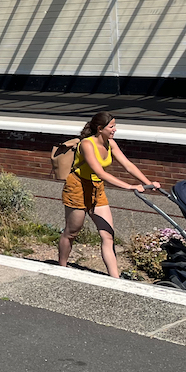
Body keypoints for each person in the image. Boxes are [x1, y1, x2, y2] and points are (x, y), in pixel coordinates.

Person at [57, 111, 158, 278]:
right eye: (112, 126)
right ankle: (61, 268)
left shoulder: (110, 143)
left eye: (114, 126)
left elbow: (128, 165)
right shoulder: (87, 145)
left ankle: (115, 279)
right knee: (72, 232)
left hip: (97, 189)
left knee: (107, 234)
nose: (115, 129)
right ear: (100, 128)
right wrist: (129, 186)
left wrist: (148, 182)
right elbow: (100, 172)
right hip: (78, 187)